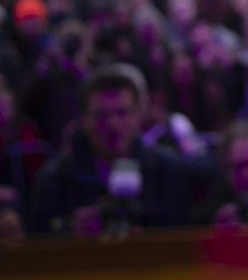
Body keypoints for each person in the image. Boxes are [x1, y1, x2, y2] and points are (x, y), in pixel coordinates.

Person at [29, 63, 190, 237]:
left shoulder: (167, 171)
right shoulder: (56, 179)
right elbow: (39, 241)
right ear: (84, 119)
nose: (113, 125)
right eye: (101, 116)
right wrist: (70, 234)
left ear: (138, 114)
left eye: (122, 113)